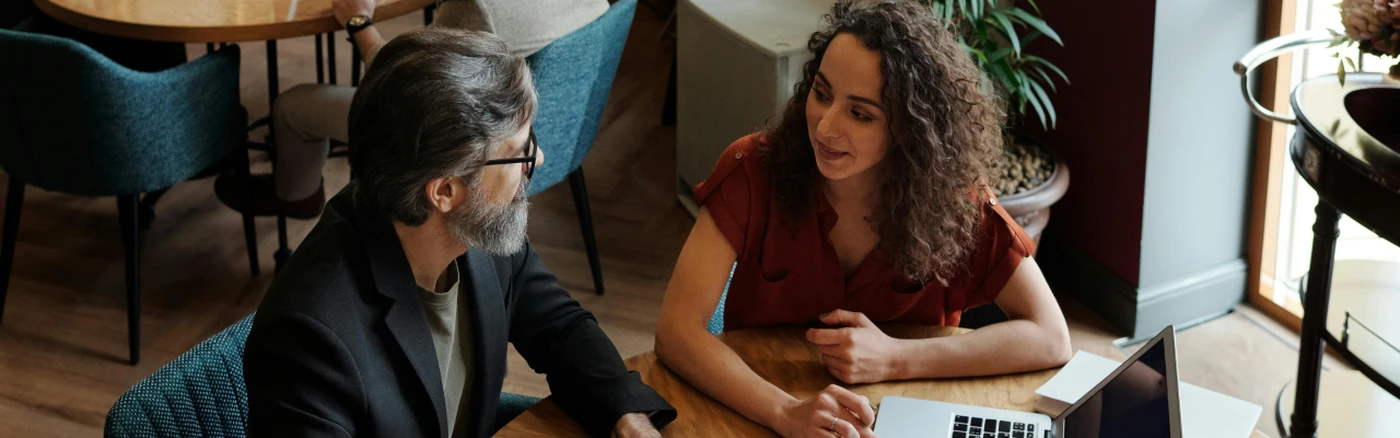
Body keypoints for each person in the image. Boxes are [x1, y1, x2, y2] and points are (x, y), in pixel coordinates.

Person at [653, 1, 1072, 437]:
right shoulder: (753, 169)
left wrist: (894, 356)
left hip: (906, 415)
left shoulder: (957, 202)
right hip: (759, 409)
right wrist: (784, 413)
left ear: (911, 128)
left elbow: (1051, 336)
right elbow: (676, 331)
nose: (825, 127)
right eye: (822, 93)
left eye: (860, 113)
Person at [242, 27, 674, 438]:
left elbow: (559, 327)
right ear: (445, 191)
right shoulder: (308, 342)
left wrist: (626, 416)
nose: (538, 160)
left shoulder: (476, 226)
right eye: (520, 151)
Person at [214, 0, 610, 218]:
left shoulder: (477, 6)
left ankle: (295, 194)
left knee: (292, 105)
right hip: (552, 130)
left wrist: (358, 22)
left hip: (468, 149)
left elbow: (412, 88)